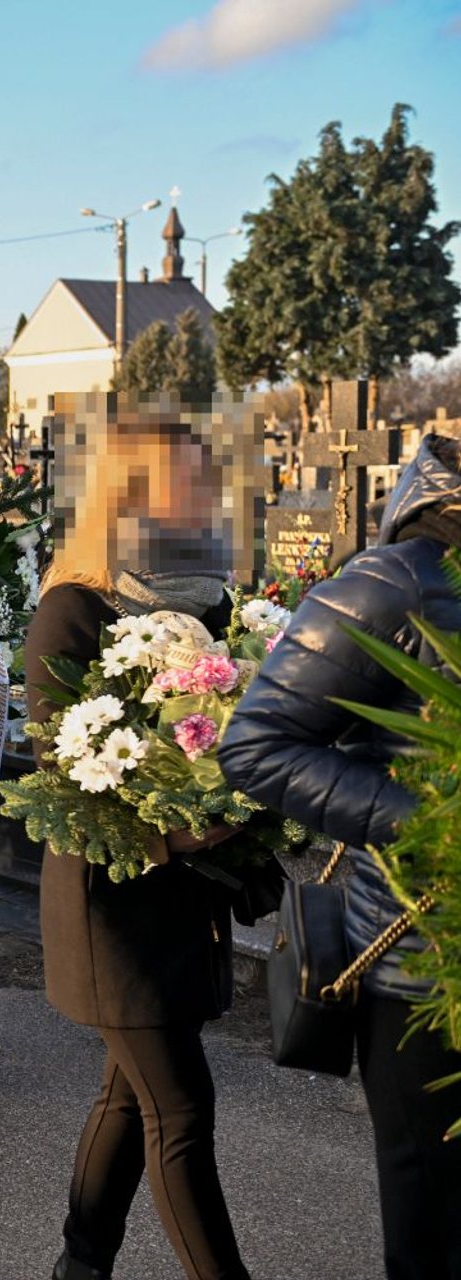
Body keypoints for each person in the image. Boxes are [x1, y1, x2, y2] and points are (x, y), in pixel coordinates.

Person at [219, 431, 461, 1280]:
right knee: (440, 1225)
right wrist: (437, 824)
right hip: (429, 965)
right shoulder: (401, 580)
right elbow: (258, 746)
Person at [26, 419, 251, 1280]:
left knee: (129, 1098)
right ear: (129, 495)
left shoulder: (211, 603)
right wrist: (192, 818)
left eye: (204, 480)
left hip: (188, 893)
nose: (200, 499)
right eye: (182, 481)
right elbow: (62, 766)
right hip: (109, 898)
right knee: (181, 1107)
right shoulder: (74, 608)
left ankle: (80, 1266)